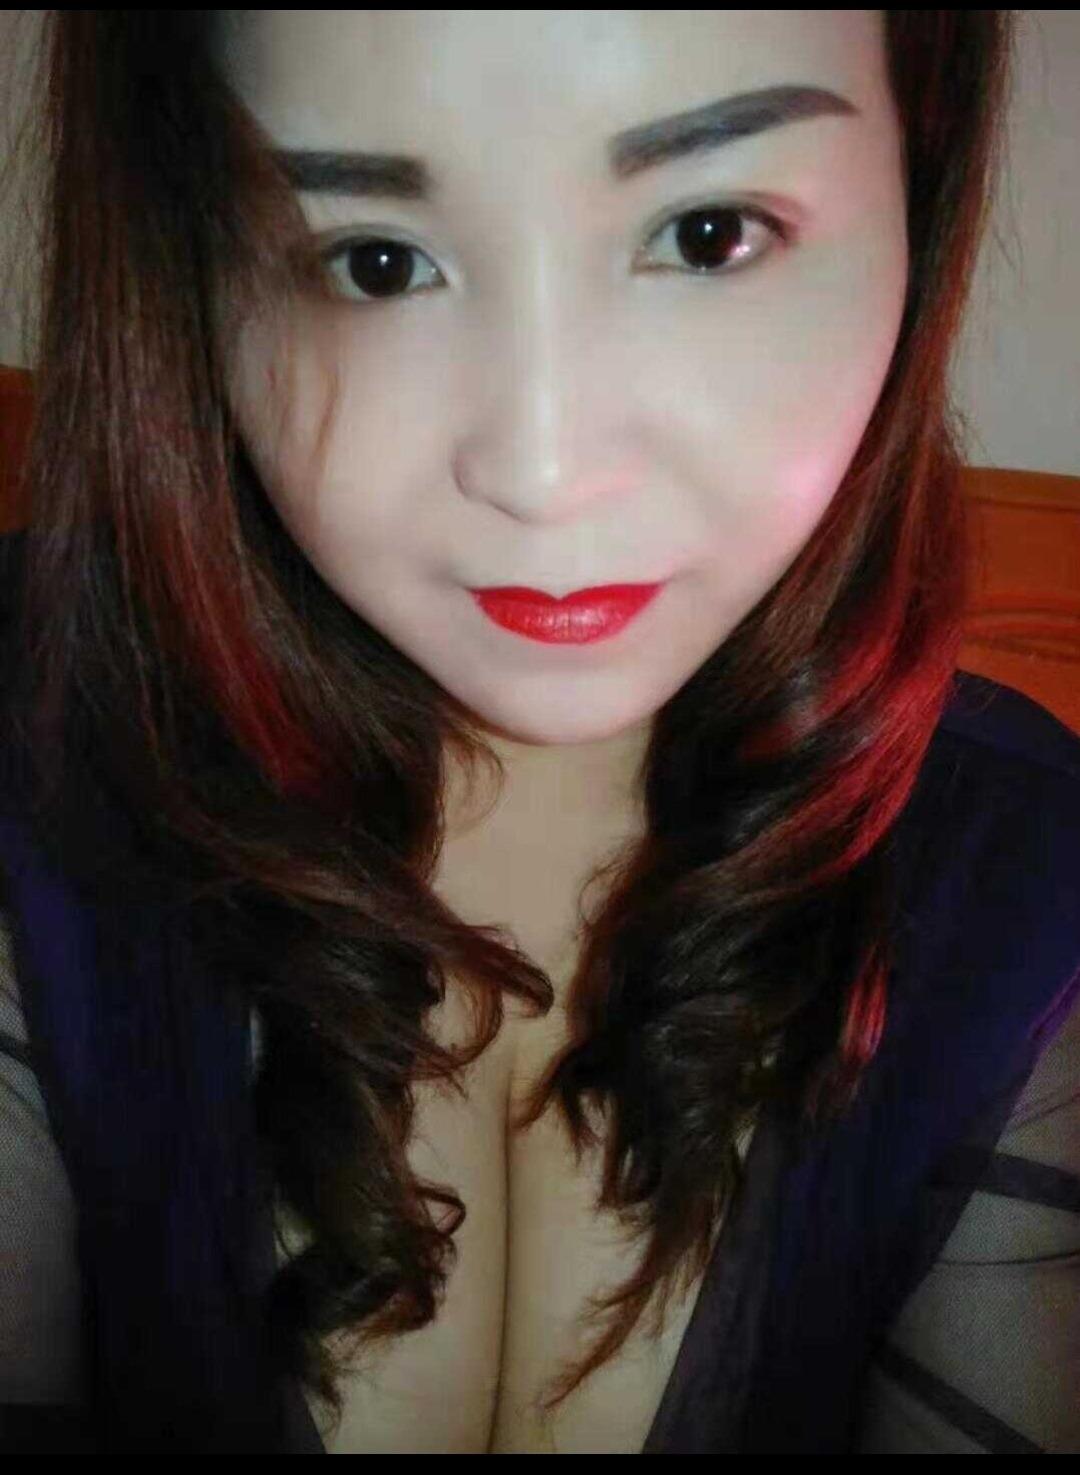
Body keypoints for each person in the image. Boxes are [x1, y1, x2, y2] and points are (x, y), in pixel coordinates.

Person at [0, 9, 1077, 1454]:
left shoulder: (1032, 891)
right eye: (376, 262)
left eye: (706, 235)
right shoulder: (36, 748)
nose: (543, 469)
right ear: (189, 267)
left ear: (919, 201)